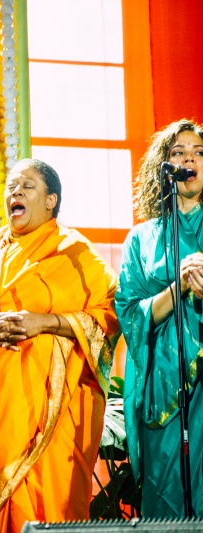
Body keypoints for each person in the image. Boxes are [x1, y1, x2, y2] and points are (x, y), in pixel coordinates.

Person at [0, 158, 119, 532]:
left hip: (57, 415)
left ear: (51, 200)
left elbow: (108, 317)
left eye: (27, 185)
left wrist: (46, 322)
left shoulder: (75, 252)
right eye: (11, 186)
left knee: (51, 508)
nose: (16, 192)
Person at [116, 119, 203, 517]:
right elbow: (129, 312)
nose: (189, 159)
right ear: (165, 167)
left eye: (198, 152)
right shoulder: (142, 238)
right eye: (178, 152)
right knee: (166, 493)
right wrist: (179, 286)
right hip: (163, 385)